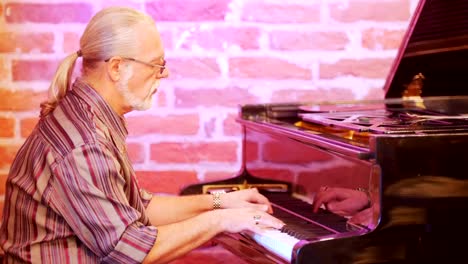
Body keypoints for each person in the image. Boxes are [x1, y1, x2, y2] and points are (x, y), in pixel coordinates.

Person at [0, 7, 284, 263]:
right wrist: (222, 220)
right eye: (156, 65)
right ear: (116, 68)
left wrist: (222, 201)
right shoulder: (84, 144)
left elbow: (139, 208)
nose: (165, 74)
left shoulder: (90, 118)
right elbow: (127, 249)